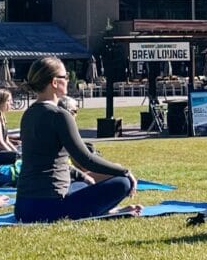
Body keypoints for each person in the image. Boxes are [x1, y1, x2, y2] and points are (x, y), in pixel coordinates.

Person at [15, 56, 139, 222]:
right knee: (123, 183)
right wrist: (124, 172)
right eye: (65, 77)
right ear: (54, 82)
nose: (67, 80)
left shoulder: (28, 114)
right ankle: (106, 211)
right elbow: (86, 159)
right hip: (49, 208)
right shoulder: (59, 115)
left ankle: (105, 210)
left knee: (83, 185)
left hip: (23, 207)